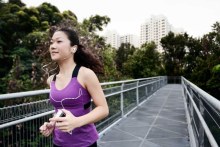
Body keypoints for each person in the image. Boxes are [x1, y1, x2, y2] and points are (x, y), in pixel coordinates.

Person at [39, 27, 109, 147]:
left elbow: (103, 109)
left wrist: (76, 122)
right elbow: (61, 109)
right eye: (51, 42)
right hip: (58, 143)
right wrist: (53, 124)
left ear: (73, 48)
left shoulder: (85, 74)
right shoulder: (51, 80)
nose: (52, 46)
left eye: (59, 41)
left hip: (84, 143)